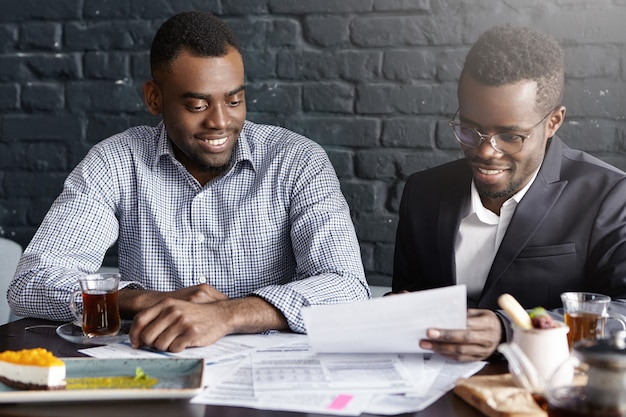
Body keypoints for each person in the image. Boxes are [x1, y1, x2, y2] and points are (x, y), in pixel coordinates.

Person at [8, 11, 369, 352]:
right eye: (198, 106)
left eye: (234, 100)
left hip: (269, 377)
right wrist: (146, 300)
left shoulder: (297, 160)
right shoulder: (115, 162)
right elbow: (32, 281)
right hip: (158, 373)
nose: (220, 121)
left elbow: (348, 287)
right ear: (154, 98)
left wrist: (228, 315)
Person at [391, 25, 626, 362]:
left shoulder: (610, 196)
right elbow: (409, 297)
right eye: (470, 130)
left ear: (553, 122)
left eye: (510, 136)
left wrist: (510, 330)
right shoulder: (423, 193)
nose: (487, 152)